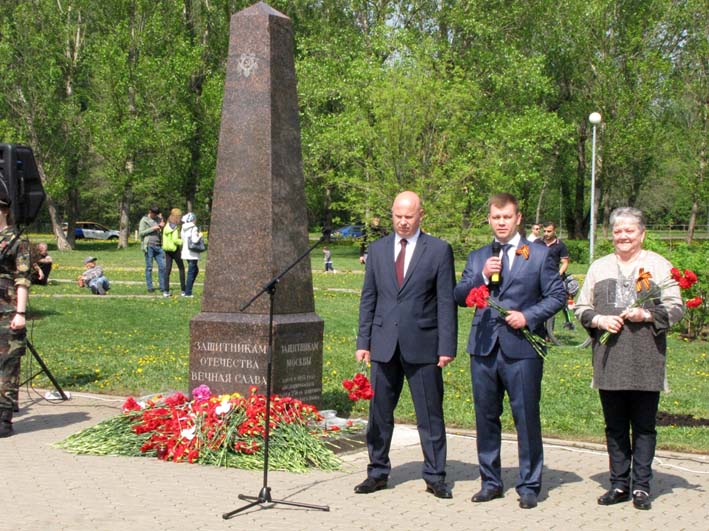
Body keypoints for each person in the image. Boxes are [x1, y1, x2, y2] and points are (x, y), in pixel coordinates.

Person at [454, 193, 566, 509]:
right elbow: (459, 295)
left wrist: (528, 316)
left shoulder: (540, 254)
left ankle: (529, 485)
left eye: (507, 217)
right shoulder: (478, 257)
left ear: (517, 218)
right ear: (489, 220)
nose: (501, 222)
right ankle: (490, 482)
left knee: (525, 416)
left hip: (522, 349)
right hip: (484, 347)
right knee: (486, 416)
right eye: (495, 217)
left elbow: (557, 296)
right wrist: (480, 276)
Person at [574, 207, 684, 511]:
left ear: (642, 234)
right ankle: (619, 483)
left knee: (645, 426)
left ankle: (642, 487)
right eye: (618, 231)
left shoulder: (658, 266)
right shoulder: (599, 267)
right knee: (616, 427)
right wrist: (599, 321)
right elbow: (582, 307)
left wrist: (645, 314)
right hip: (610, 360)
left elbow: (676, 308)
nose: (623, 236)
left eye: (629, 231)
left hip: (646, 359)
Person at [354, 191, 457, 499]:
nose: (402, 221)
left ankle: (435, 475)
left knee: (430, 414)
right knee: (379, 414)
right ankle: (377, 471)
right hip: (383, 344)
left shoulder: (438, 251)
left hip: (424, 345)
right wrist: (364, 341)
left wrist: (446, 347)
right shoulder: (377, 249)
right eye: (397, 215)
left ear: (420, 215)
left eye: (408, 216)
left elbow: (445, 302)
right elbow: (369, 298)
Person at [0, 194, 31, 437]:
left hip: (7, 310)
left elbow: (22, 279)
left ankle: (4, 418)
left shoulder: (16, 240)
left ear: (4, 210)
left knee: (8, 366)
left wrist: (20, 312)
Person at [534, 221, 574, 330]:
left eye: (549, 231)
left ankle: (549, 331)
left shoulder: (560, 245)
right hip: (538, 277)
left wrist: (558, 275)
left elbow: (565, 262)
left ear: (554, 231)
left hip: (552, 278)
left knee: (550, 304)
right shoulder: (537, 242)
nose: (546, 233)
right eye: (545, 231)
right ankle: (538, 329)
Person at [138, 205, 167, 295]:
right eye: (153, 214)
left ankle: (162, 287)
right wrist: (153, 228)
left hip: (158, 246)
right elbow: (141, 233)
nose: (155, 216)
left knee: (162, 267)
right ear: (150, 212)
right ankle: (150, 287)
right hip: (149, 246)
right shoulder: (144, 220)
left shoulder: (158, 219)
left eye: (156, 214)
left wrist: (162, 225)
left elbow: (161, 229)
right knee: (149, 267)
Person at [162, 208, 186, 297]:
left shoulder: (166, 226)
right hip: (175, 250)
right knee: (181, 268)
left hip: (167, 250)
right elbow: (175, 240)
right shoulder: (175, 227)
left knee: (167, 270)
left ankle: (166, 291)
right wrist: (183, 241)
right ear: (177, 217)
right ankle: (183, 290)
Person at [180, 213, 202, 298]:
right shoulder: (194, 227)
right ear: (193, 219)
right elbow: (195, 240)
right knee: (192, 272)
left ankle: (187, 289)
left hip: (185, 252)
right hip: (192, 253)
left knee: (194, 270)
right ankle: (188, 292)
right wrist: (200, 235)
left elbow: (182, 238)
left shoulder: (183, 227)